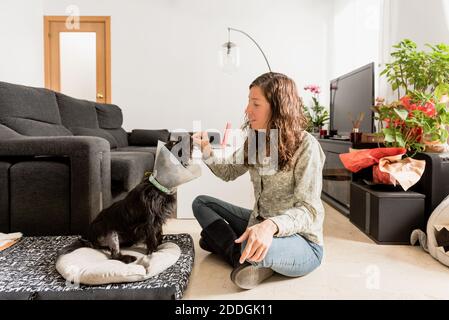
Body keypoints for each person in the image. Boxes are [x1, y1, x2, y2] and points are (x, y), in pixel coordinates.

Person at [192, 72, 326, 289]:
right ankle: (243, 256)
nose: (247, 110)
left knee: (246, 242)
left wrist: (271, 226)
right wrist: (206, 149)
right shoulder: (256, 141)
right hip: (257, 222)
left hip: (302, 241)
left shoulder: (306, 146)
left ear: (278, 107)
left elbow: (309, 210)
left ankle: (229, 246)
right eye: (248, 102)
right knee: (201, 203)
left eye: (255, 104)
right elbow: (228, 172)